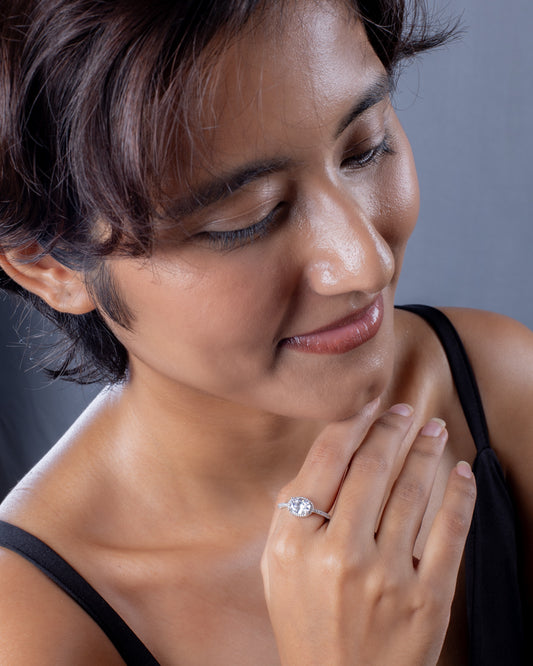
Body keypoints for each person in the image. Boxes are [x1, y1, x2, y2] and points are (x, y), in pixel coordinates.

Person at [0, 0, 531, 663]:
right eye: (247, 219)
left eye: (364, 148)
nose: (365, 263)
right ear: (51, 266)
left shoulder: (498, 387)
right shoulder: (28, 630)